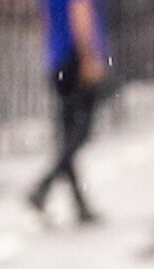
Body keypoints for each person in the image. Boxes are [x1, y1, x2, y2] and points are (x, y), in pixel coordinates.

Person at [29, 0, 108, 225]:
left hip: (58, 60)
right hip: (76, 59)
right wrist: (89, 57)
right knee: (80, 133)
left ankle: (79, 204)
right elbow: (81, 10)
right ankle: (43, 185)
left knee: (67, 136)